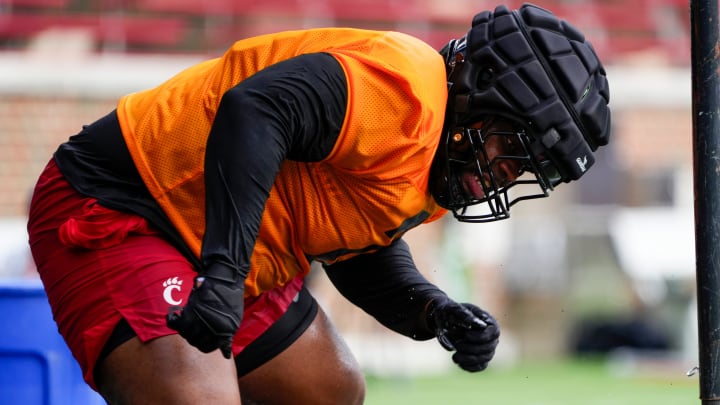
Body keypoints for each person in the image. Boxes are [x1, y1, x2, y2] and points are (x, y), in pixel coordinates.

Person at [27, 3, 610, 404]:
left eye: (525, 169)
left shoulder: (433, 161)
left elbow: (354, 245)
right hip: (126, 202)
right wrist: (224, 274)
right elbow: (255, 112)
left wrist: (434, 311)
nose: (503, 174)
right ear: (480, 91)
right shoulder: (402, 87)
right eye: (509, 148)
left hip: (221, 244)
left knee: (327, 389)